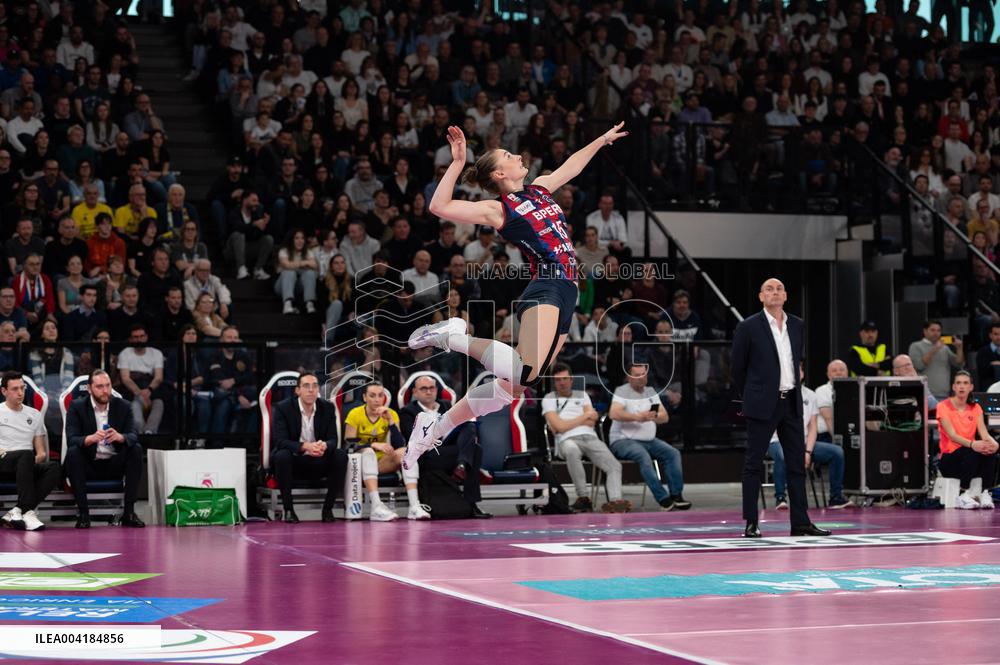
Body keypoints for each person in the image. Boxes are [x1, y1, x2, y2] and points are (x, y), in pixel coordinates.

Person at [402, 121, 629, 469]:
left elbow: (571, 165)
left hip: (567, 289)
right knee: (524, 373)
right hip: (548, 284)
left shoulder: (539, 189)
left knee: (517, 386)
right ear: (498, 174)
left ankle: (436, 427)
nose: (518, 155)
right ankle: (454, 338)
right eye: (508, 155)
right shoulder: (499, 209)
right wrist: (458, 162)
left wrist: (600, 140)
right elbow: (439, 206)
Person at [731, 278, 831, 538]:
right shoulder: (748, 326)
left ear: (785, 295)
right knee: (753, 463)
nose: (774, 292)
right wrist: (753, 396)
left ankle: (800, 522)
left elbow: (795, 361)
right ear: (761, 296)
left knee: (797, 463)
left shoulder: (797, 324)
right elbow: (737, 369)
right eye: (769, 289)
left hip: (791, 401)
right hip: (763, 403)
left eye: (779, 289)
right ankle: (751, 522)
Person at [398, 374, 491, 518]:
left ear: (436, 390)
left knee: (471, 430)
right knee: (474, 451)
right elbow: (414, 438)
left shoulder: (447, 405)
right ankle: (470, 498)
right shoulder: (408, 412)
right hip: (428, 454)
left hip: (449, 449)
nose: (429, 391)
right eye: (424, 389)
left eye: (431, 388)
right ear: (415, 393)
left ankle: (462, 466)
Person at [542, 363, 629, 513]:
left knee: (614, 466)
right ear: (554, 382)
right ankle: (583, 498)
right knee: (571, 450)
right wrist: (584, 416)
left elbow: (592, 420)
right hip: (566, 440)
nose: (561, 383)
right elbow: (560, 427)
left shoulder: (583, 395)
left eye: (564, 378)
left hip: (590, 437)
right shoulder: (548, 398)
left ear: (571, 380)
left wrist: (566, 423)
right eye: (557, 380)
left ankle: (616, 501)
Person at [63, 369, 145, 528]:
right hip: (89, 464)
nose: (105, 390)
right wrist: (90, 439)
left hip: (114, 463)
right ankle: (83, 514)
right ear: (89, 388)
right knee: (73, 453)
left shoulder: (123, 406)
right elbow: (72, 439)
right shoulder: (77, 406)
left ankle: (129, 512)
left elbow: (134, 435)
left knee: (136, 449)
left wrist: (121, 437)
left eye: (107, 385)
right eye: (99, 386)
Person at [767, 363, 851, 510]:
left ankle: (836, 497)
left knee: (837, 452)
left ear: (802, 373)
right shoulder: (775, 394)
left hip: (804, 442)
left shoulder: (811, 395)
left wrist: (808, 451)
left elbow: (812, 427)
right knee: (783, 454)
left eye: (798, 370)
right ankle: (781, 498)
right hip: (778, 441)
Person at [607, 363, 690, 510]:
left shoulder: (650, 392)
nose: (640, 378)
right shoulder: (622, 391)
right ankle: (663, 498)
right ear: (629, 377)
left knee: (673, 453)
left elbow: (664, 417)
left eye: (643, 375)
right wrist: (637, 417)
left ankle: (676, 495)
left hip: (649, 440)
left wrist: (654, 416)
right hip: (623, 440)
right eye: (636, 375)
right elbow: (614, 413)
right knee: (643, 456)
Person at [344, 382, 430, 521]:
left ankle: (414, 506)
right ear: (365, 397)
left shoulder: (391, 414)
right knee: (368, 453)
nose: (377, 399)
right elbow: (349, 444)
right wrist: (373, 445)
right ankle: (376, 506)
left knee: (406, 452)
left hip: (381, 464)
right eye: (372, 396)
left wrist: (390, 420)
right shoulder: (355, 414)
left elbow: (398, 444)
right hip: (358, 466)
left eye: (380, 396)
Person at [270, 373, 349, 523]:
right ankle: (289, 510)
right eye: (306, 386)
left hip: (318, 460)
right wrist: (305, 446)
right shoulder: (283, 408)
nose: (311, 390)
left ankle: (327, 509)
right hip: (294, 461)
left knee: (340, 455)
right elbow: (280, 441)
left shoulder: (327, 408)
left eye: (314, 386)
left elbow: (333, 439)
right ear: (297, 390)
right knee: (281, 455)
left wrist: (324, 445)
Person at [0, 372, 61, 531]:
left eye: (22, 388)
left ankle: (20, 510)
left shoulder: (34, 414)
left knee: (54, 468)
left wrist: (26, 464)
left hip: (25, 463)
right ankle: (27, 510)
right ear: (4, 391)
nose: (20, 392)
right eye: (14, 389)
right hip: (3, 462)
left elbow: (41, 453)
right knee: (25, 454)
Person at [936, 371, 998, 509]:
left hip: (970, 458)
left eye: (965, 383)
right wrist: (972, 444)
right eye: (958, 383)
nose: (961, 386)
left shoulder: (976, 407)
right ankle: (962, 494)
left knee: (988, 450)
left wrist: (993, 444)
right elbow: (952, 435)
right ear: (953, 387)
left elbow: (984, 433)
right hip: (949, 459)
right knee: (974, 451)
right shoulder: (943, 406)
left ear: (971, 387)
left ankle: (985, 493)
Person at [117, 324, 165, 435]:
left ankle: (150, 432)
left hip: (151, 386)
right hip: (133, 388)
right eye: (135, 337)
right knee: (134, 406)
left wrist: (149, 391)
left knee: (159, 403)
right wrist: (140, 393)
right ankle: (141, 435)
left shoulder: (156, 353)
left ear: (146, 337)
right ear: (131, 339)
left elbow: (158, 377)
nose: (139, 339)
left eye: (141, 336)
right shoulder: (125, 353)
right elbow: (125, 378)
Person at [908, 319, 965, 401]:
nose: (936, 333)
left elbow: (959, 363)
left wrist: (959, 348)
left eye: (938, 330)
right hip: (925, 394)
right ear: (925, 331)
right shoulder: (915, 346)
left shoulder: (944, 348)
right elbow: (918, 366)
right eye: (932, 330)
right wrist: (935, 349)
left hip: (944, 394)